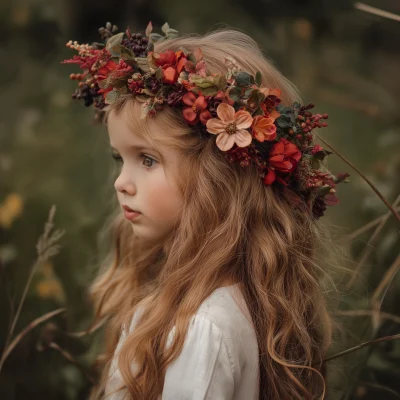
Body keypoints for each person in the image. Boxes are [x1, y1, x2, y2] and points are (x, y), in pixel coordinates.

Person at [62, 21, 349, 400]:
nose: (121, 182)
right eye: (121, 158)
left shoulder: (201, 328)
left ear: (217, 178)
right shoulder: (222, 304)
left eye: (147, 160)